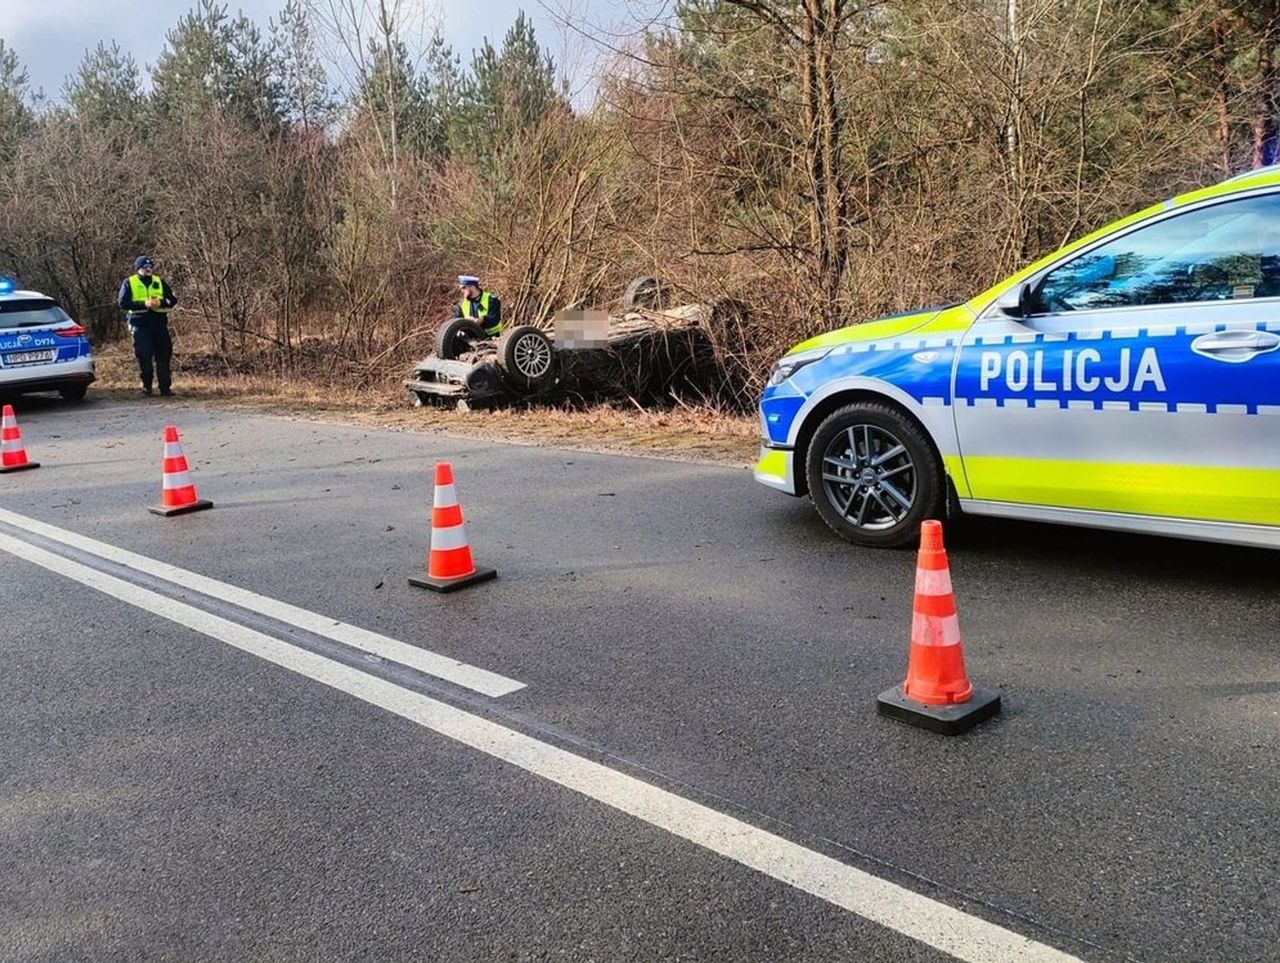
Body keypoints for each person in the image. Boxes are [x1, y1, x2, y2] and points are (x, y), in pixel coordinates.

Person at [117, 256, 177, 396]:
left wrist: (160, 303)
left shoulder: (159, 281)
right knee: (144, 356)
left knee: (164, 355)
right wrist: (144, 304)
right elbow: (123, 303)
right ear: (138, 268)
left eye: (150, 267)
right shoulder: (129, 283)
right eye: (145, 267)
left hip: (159, 324)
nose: (148, 269)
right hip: (140, 325)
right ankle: (147, 387)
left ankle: (165, 388)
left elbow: (172, 300)